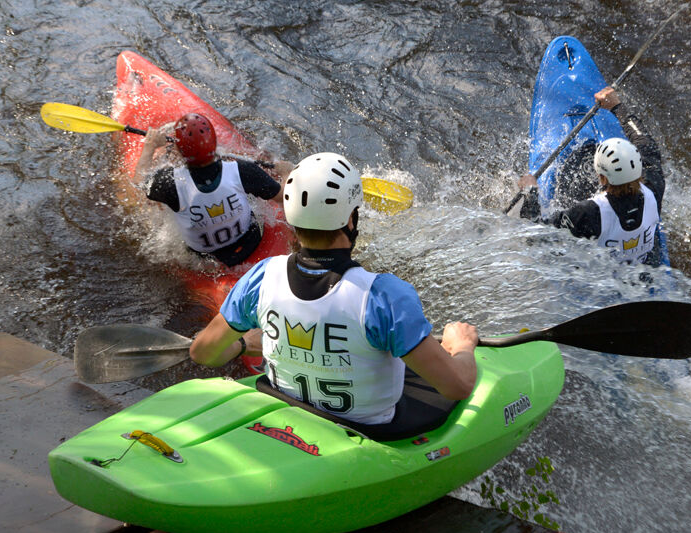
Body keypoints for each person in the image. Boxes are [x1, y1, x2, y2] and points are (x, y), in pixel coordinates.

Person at [189, 152, 478, 437]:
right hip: (369, 427)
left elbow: (202, 353)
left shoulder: (260, 277)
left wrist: (242, 344)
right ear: (350, 220)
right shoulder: (384, 296)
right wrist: (462, 347)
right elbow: (458, 388)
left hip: (288, 407)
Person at [517, 87, 666, 266]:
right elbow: (646, 143)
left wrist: (530, 193)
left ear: (601, 177)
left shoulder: (589, 212)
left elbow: (535, 236)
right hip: (642, 272)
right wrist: (617, 107)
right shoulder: (654, 187)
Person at [133, 112, 293, 267]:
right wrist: (286, 173)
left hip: (204, 258)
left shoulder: (170, 182)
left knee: (160, 203)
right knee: (249, 191)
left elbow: (139, 181)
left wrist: (150, 146)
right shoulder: (242, 170)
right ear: (215, 144)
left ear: (179, 151)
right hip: (249, 243)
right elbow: (284, 197)